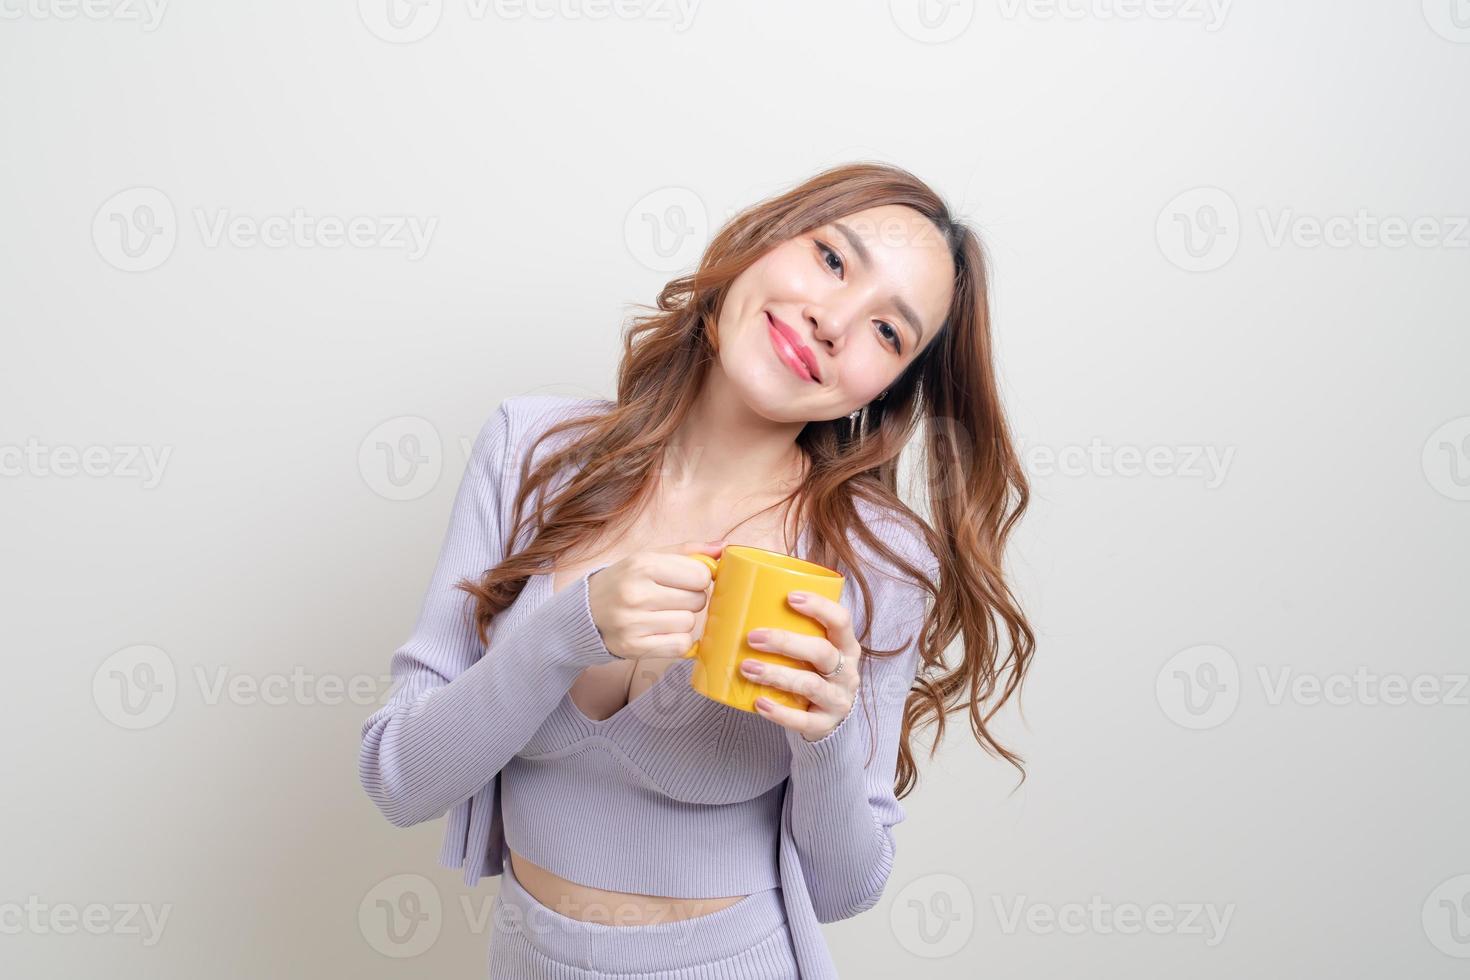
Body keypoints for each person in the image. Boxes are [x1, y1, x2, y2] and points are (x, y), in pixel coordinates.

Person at [359, 161, 1037, 978]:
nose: (833, 322)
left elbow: (845, 888)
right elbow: (397, 778)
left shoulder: (877, 560)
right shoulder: (530, 451)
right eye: (831, 259)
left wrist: (825, 737)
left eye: (888, 332)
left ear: (887, 389)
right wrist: (568, 633)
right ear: (761, 244)